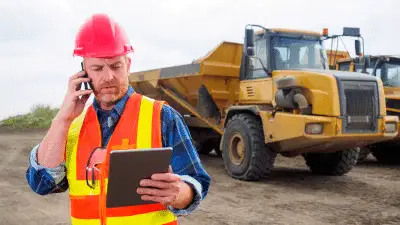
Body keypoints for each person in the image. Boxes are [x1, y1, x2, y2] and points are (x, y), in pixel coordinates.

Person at [25, 13, 211, 225]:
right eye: (97, 68)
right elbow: (42, 184)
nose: (108, 76)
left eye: (116, 66)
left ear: (128, 65)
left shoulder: (162, 116)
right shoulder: (72, 127)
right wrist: (62, 120)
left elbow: (197, 182)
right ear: (83, 72)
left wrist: (179, 193)